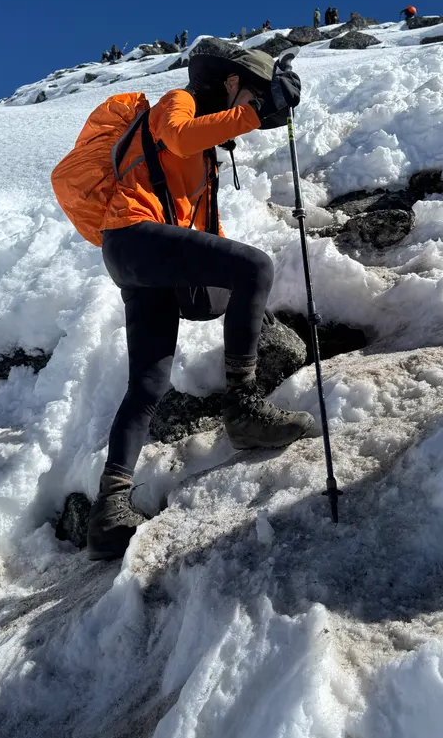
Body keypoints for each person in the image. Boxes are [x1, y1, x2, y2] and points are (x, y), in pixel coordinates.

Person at [81, 41, 314, 559]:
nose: (249, 104)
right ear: (229, 82)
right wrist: (255, 111)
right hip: (136, 235)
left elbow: (203, 236)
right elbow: (178, 137)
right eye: (248, 91)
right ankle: (243, 409)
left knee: (148, 384)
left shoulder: (206, 152)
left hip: (142, 253)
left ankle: (108, 511)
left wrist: (236, 299)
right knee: (256, 265)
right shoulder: (178, 102)